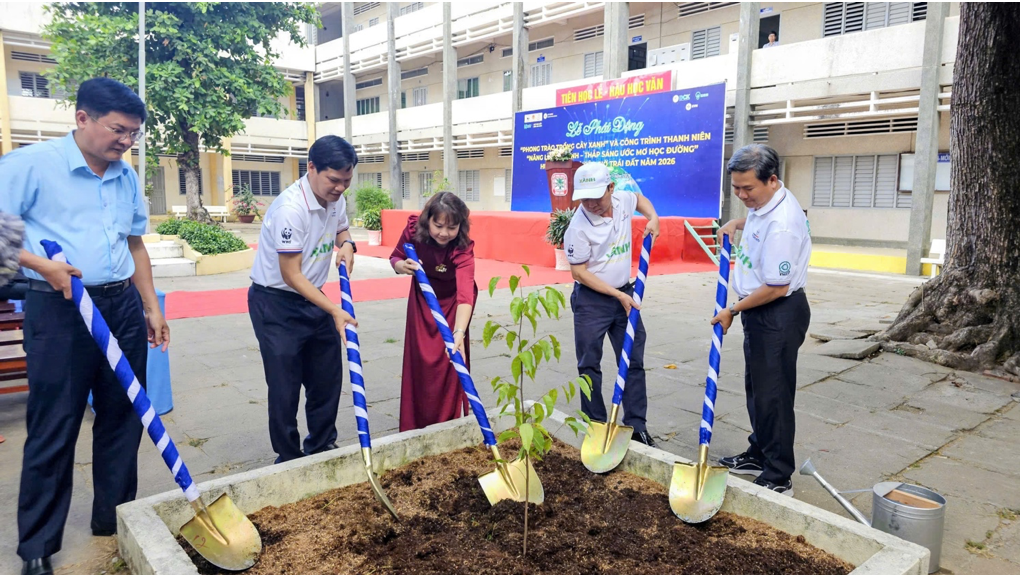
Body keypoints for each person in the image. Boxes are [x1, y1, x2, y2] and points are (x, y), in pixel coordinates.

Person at [0, 77, 169, 575]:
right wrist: (42, 265)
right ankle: (37, 546)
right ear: (83, 119)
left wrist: (151, 306)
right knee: (55, 425)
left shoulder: (124, 175)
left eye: (134, 134)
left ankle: (114, 519)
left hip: (120, 305)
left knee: (123, 416)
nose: (126, 142)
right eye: (118, 131)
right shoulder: (31, 167)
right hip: (59, 305)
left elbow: (135, 244)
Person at [248, 135, 359, 464]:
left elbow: (341, 229)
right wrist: (335, 310)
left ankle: (322, 445)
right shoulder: (290, 209)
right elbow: (291, 275)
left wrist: (349, 244)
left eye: (346, 181)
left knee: (326, 376)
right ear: (311, 168)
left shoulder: (335, 199)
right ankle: (288, 456)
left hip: (314, 297)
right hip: (276, 303)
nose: (339, 188)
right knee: (284, 384)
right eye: (333, 180)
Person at [712, 144, 812, 496]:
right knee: (757, 389)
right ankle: (760, 450)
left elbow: (777, 286)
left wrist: (732, 311)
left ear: (772, 180)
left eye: (747, 189)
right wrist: (737, 222)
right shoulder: (766, 203)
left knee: (774, 395)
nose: (741, 196)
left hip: (776, 313)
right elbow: (756, 219)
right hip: (759, 310)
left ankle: (779, 474)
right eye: (736, 188)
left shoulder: (783, 224)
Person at [563, 162, 660, 447]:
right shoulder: (578, 227)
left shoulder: (622, 200)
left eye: (597, 196)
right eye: (585, 198)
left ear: (611, 188)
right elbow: (578, 272)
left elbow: (640, 201)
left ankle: (636, 426)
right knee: (589, 364)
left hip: (624, 294)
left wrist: (653, 217)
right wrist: (617, 296)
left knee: (632, 360)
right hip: (592, 300)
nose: (591, 203)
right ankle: (596, 425)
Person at [390, 191, 477, 432]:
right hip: (423, 299)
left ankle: (445, 423)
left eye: (452, 227)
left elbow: (465, 295)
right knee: (420, 359)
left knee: (449, 360)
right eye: (438, 225)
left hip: (453, 303)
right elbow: (396, 256)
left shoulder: (462, 247)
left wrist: (459, 332)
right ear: (428, 220)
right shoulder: (412, 231)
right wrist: (401, 266)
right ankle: (414, 423)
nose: (444, 233)